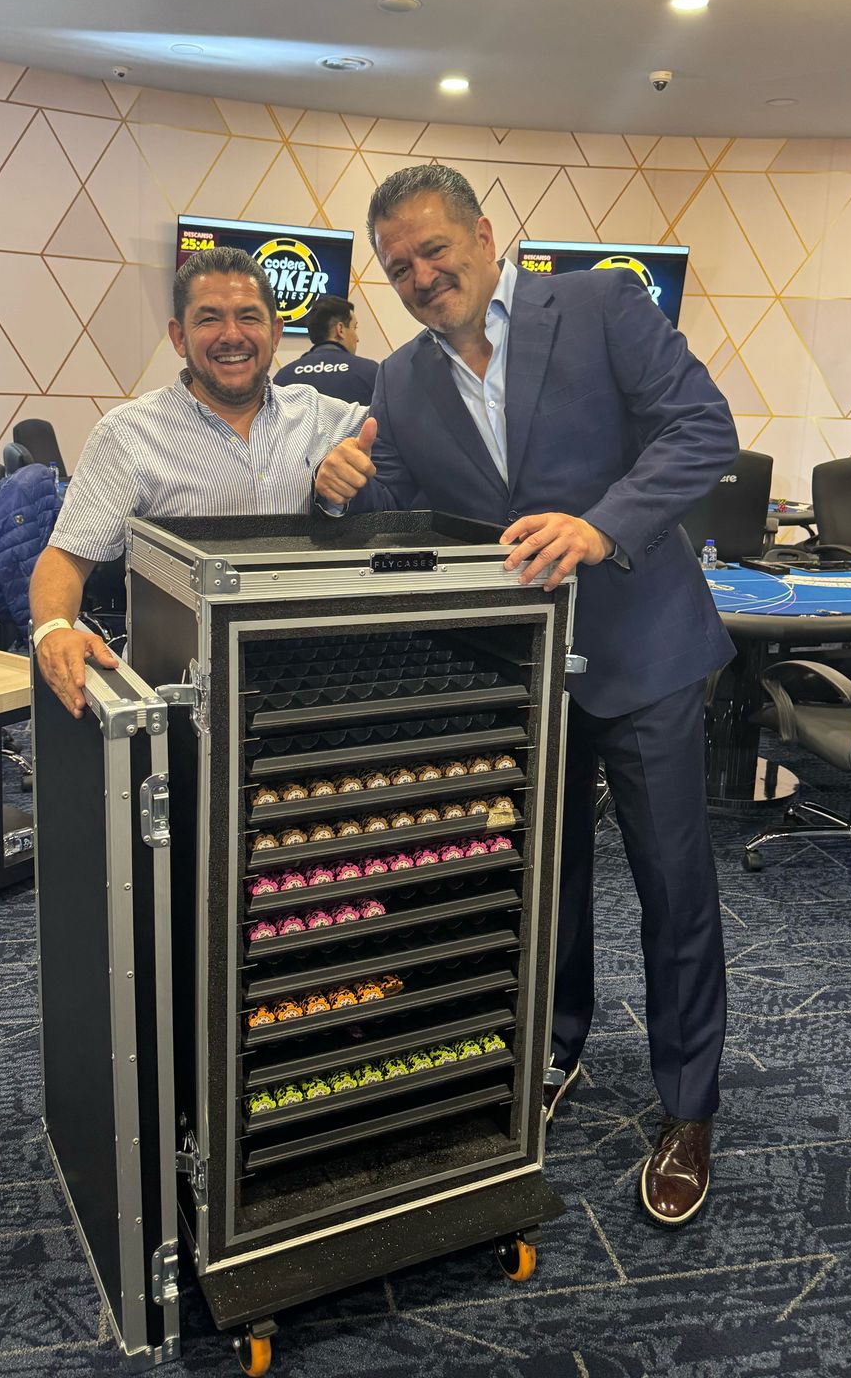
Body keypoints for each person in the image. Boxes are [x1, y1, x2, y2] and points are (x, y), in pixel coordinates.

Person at [314, 164, 737, 1228]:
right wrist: (346, 493)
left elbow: (702, 428)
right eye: (399, 266)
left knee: (672, 886)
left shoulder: (599, 304)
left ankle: (689, 1107)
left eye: (433, 250)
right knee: (542, 882)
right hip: (522, 672)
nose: (420, 276)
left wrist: (602, 525)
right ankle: (555, 1049)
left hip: (642, 650)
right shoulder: (398, 381)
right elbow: (409, 522)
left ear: (484, 234)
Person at [31, 247, 367, 717]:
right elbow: (65, 557)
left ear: (274, 332)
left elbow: (412, 425)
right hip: (182, 695)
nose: (232, 335)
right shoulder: (127, 434)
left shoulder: (323, 416)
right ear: (179, 336)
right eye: (209, 319)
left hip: (303, 685)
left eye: (248, 317)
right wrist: (53, 629)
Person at [273, 294, 380, 405]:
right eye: (354, 328)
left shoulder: (283, 378)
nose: (357, 338)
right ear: (340, 329)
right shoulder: (371, 373)